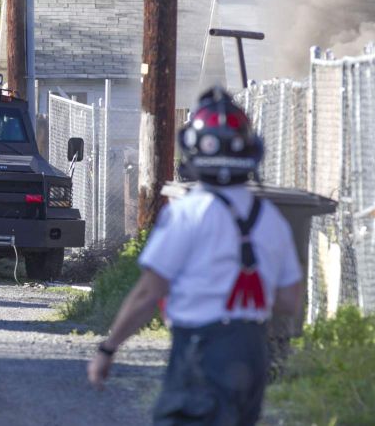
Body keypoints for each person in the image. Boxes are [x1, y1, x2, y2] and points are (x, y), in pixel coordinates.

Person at [86, 87, 303, 426]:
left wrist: (109, 348)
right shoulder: (273, 219)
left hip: (200, 351)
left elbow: (148, 292)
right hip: (253, 352)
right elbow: (290, 302)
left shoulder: (187, 213)